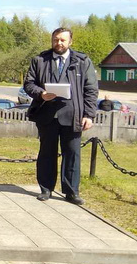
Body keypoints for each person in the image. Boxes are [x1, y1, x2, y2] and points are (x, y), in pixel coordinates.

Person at [23, 27, 98, 205]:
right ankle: (46, 189)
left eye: (63, 40)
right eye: (56, 39)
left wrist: (89, 114)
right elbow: (29, 83)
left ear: (70, 42)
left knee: (72, 153)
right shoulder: (40, 60)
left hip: (74, 115)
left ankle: (72, 192)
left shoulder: (82, 61)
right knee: (46, 153)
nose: (59, 43)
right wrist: (41, 94)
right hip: (47, 115)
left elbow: (91, 90)